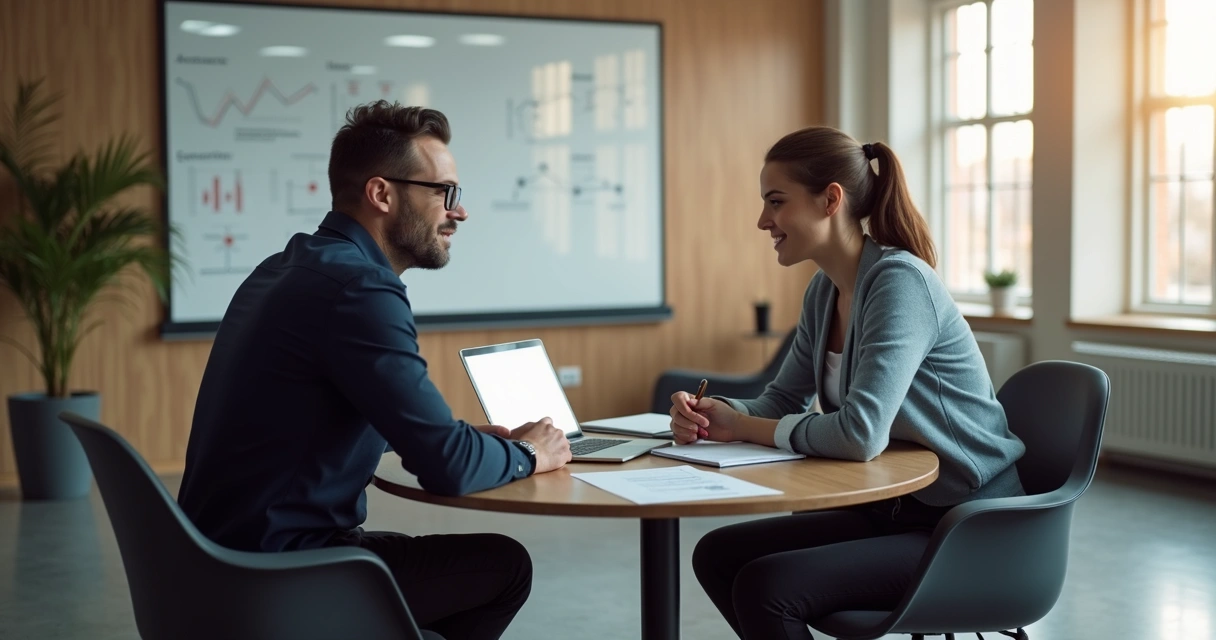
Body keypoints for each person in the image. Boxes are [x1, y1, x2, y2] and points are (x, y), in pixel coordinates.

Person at [178, 101, 572, 640]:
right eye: (445, 193)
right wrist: (531, 453)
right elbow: (446, 468)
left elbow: (306, 415)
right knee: (504, 568)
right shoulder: (361, 289)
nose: (459, 212)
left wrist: (445, 435)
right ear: (382, 193)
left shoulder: (290, 266)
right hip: (287, 572)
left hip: (217, 563)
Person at [668, 126, 1026, 639]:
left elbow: (861, 435)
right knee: (719, 553)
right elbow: (780, 399)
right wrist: (713, 412)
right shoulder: (825, 290)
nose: (763, 221)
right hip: (895, 509)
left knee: (767, 586)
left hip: (967, 526)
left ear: (830, 199)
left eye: (776, 201)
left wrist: (745, 429)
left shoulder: (899, 283)